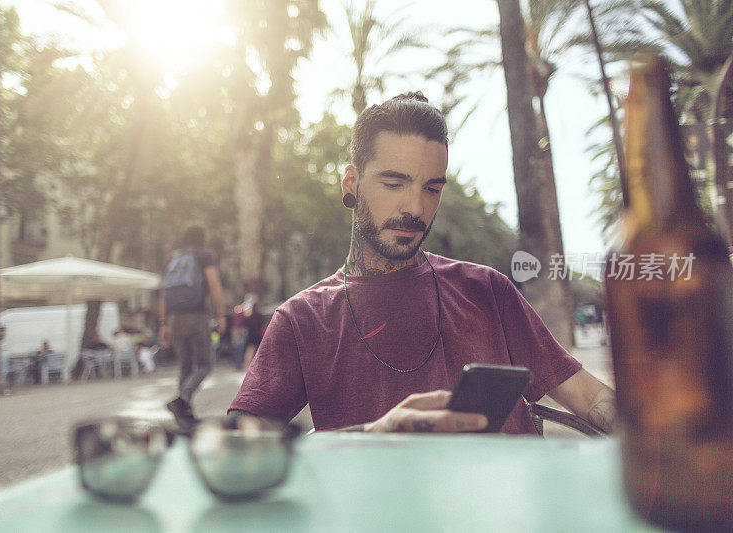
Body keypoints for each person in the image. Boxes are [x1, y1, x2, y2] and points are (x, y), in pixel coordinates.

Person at [229, 92, 616, 434]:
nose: (415, 208)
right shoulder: (303, 319)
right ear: (351, 183)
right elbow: (235, 448)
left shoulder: (486, 290)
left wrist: (660, 431)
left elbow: (586, 396)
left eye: (432, 188)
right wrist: (371, 436)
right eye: (394, 184)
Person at [160, 224, 226, 427]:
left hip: (175, 320)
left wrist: (163, 323)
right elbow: (213, 284)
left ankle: (183, 414)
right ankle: (183, 399)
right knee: (205, 364)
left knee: (186, 366)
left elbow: (163, 292)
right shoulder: (204, 255)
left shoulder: (173, 258)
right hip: (197, 316)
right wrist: (221, 314)